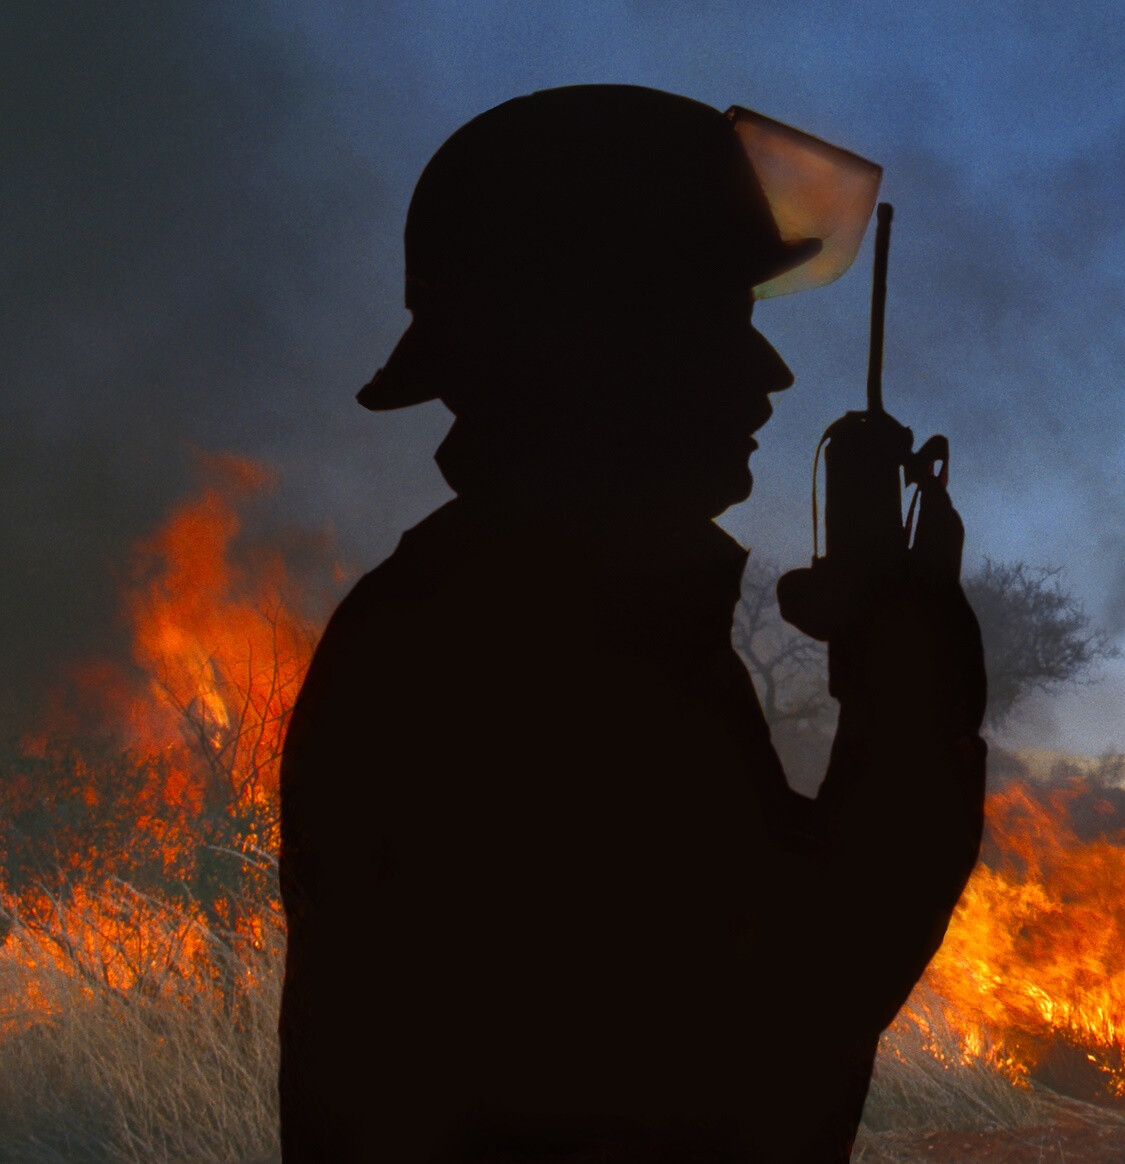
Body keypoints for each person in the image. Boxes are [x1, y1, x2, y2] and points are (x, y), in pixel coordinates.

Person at [277, 85, 987, 1162]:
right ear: (591, 344)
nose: (770, 376)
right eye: (718, 322)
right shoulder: (530, 644)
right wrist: (911, 666)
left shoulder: (515, 603)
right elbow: (799, 999)